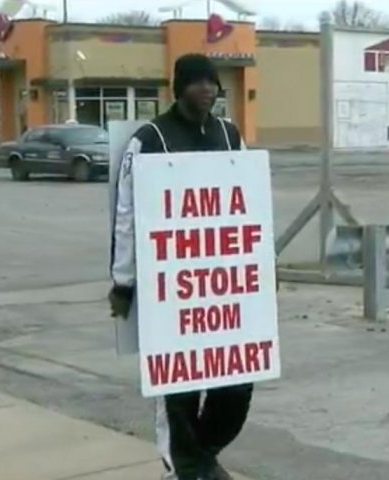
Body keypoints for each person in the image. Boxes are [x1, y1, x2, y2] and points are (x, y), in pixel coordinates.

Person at [109, 53, 252, 480]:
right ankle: (184, 468)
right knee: (178, 386)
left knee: (237, 382)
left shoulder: (229, 135)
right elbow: (127, 214)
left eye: (212, 82)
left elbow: (247, 206)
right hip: (170, 289)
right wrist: (124, 280)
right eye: (197, 82)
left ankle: (201, 455)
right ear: (179, 87)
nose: (207, 89)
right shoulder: (151, 138)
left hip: (224, 285)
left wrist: (261, 263)